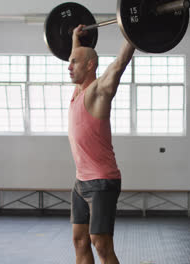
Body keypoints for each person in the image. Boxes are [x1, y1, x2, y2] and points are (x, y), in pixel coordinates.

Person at [67, 25, 135, 264]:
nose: (68, 66)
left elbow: (119, 64)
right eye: (69, 61)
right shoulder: (77, 90)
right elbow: (80, 56)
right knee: (80, 240)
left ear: (90, 66)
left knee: (100, 242)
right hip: (81, 181)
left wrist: (134, 32)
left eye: (74, 62)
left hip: (102, 181)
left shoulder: (99, 92)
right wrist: (76, 38)